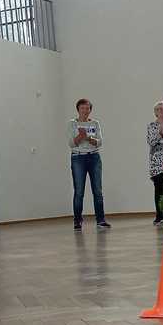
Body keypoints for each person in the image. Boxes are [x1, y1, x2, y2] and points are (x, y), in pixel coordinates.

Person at [67, 98, 111, 231]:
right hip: (78, 158)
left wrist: (87, 138)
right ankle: (77, 220)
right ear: (78, 109)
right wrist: (80, 137)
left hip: (94, 157)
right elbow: (71, 143)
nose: (85, 111)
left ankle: (100, 220)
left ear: (90, 110)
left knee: (97, 190)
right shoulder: (72, 123)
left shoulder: (95, 123)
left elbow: (99, 142)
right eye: (82, 108)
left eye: (87, 108)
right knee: (79, 191)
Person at [147, 101, 163, 226]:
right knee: (159, 189)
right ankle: (159, 216)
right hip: (157, 160)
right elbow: (151, 141)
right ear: (155, 112)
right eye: (158, 109)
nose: (161, 111)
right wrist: (160, 132)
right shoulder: (151, 125)